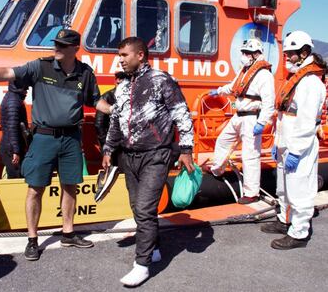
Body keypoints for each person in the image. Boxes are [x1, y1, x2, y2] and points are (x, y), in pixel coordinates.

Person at [0, 29, 111, 261]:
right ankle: (32, 239)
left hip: (71, 139)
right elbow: (8, 72)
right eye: (56, 43)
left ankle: (68, 233)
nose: (56, 48)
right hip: (44, 138)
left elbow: (95, 100)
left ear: (75, 49)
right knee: (35, 188)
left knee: (70, 187)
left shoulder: (85, 73)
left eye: (62, 45)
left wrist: (111, 109)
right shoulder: (40, 67)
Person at [102, 37, 195, 287]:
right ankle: (154, 248)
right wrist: (109, 149)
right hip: (129, 156)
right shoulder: (121, 85)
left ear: (140, 55)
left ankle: (141, 265)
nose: (120, 59)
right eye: (119, 55)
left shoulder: (160, 80)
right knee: (138, 208)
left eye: (124, 55)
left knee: (144, 209)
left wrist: (186, 150)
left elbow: (181, 114)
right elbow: (116, 121)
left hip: (156, 154)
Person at [261, 31, 327, 249]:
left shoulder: (311, 84)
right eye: (286, 53)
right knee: (283, 187)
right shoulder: (295, 80)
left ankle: (299, 232)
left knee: (299, 189)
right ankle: (285, 219)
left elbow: (307, 122)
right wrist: (276, 143)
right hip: (285, 143)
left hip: (301, 146)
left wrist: (297, 150)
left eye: (291, 54)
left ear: (304, 53)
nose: (287, 58)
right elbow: (283, 116)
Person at [209, 38, 275, 204]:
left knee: (250, 155)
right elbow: (233, 87)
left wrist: (262, 122)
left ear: (256, 54)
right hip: (239, 115)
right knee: (223, 140)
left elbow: (269, 102)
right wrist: (218, 91)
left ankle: (251, 193)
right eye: (243, 52)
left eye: (247, 53)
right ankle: (217, 169)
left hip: (252, 117)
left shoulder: (264, 75)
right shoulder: (244, 71)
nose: (244, 56)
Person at [94, 71, 128, 164]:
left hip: (126, 143)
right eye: (119, 82)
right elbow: (99, 124)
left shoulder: (129, 97)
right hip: (112, 143)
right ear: (116, 81)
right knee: (113, 171)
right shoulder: (107, 97)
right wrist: (107, 144)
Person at [0, 83, 29, 178]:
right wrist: (16, 151)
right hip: (11, 148)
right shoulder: (14, 102)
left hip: (10, 145)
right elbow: (12, 128)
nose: (27, 91)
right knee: (16, 177)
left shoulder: (12, 98)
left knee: (16, 175)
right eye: (25, 88)